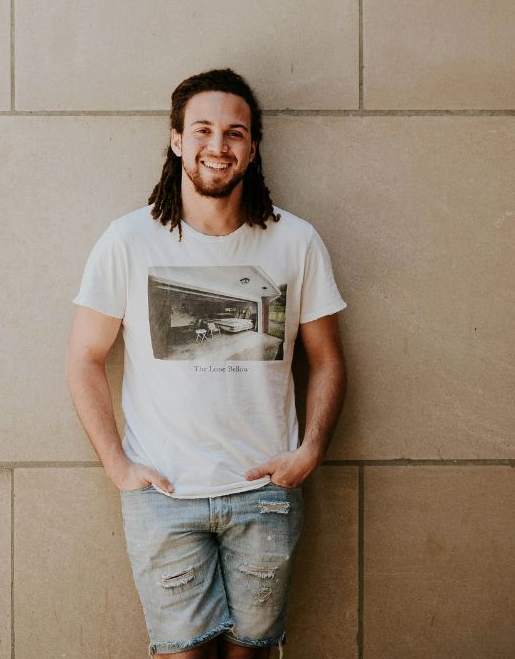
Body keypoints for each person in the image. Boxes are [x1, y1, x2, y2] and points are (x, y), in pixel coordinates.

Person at [66, 69, 347, 659]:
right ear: (176, 139)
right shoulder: (128, 239)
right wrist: (118, 465)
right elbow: (84, 358)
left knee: (251, 654)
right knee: (182, 655)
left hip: (265, 492)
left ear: (253, 147)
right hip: (163, 494)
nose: (218, 145)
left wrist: (311, 451)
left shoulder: (295, 241)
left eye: (234, 133)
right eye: (202, 130)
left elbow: (326, 359)